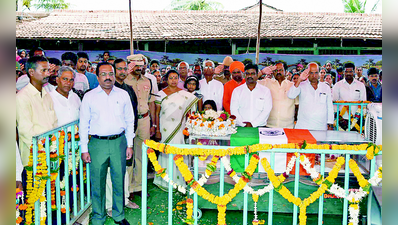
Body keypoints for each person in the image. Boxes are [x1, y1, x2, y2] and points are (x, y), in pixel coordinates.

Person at [80, 62, 135, 225]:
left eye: (110, 73)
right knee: (97, 181)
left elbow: (130, 120)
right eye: (103, 74)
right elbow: (83, 124)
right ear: (97, 76)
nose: (108, 77)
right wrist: (84, 149)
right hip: (97, 144)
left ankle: (118, 215)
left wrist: (129, 144)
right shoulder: (89, 96)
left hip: (119, 142)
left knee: (119, 179)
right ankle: (98, 216)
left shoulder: (123, 94)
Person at [104, 58, 140, 214]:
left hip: (126, 137)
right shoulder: (106, 90)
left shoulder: (128, 89)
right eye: (119, 69)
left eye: (125, 69)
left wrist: (130, 136)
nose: (123, 72)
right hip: (110, 137)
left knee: (124, 169)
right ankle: (110, 205)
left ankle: (125, 199)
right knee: (110, 173)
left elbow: (133, 114)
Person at [153, 69, 198, 190]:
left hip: (179, 127)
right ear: (166, 79)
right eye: (171, 78)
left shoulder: (185, 94)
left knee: (179, 150)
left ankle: (179, 179)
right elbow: (156, 113)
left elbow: (189, 112)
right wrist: (156, 129)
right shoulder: (160, 94)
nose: (173, 80)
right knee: (166, 151)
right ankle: (164, 180)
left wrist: (189, 127)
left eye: (175, 78)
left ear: (179, 80)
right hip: (165, 127)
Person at [125, 54, 156, 200]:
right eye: (135, 65)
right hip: (128, 122)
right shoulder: (123, 80)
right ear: (130, 65)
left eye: (141, 65)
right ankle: (128, 188)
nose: (139, 68)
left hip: (144, 120)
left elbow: (151, 102)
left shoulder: (147, 81)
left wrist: (153, 124)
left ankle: (139, 186)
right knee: (128, 156)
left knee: (142, 155)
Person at [16, 56, 58, 166]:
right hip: (34, 156)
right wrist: (43, 148)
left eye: (48, 70)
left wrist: (53, 146)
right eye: (43, 70)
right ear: (31, 72)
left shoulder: (47, 95)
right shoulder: (22, 97)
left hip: (51, 153)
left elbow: (54, 124)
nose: (48, 74)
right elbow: (26, 132)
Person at [287, 62, 334, 130]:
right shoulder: (301, 85)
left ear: (319, 73)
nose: (314, 75)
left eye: (316, 73)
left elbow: (329, 106)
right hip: (303, 127)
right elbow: (291, 95)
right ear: (307, 73)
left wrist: (330, 123)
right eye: (311, 73)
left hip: (321, 127)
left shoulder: (325, 87)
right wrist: (300, 79)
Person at [258, 61, 298, 128]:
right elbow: (251, 82)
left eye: (281, 70)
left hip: (288, 127)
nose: (278, 72)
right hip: (269, 126)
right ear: (272, 72)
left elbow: (297, 106)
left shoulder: (292, 86)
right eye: (276, 70)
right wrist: (262, 72)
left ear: (286, 71)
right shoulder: (266, 83)